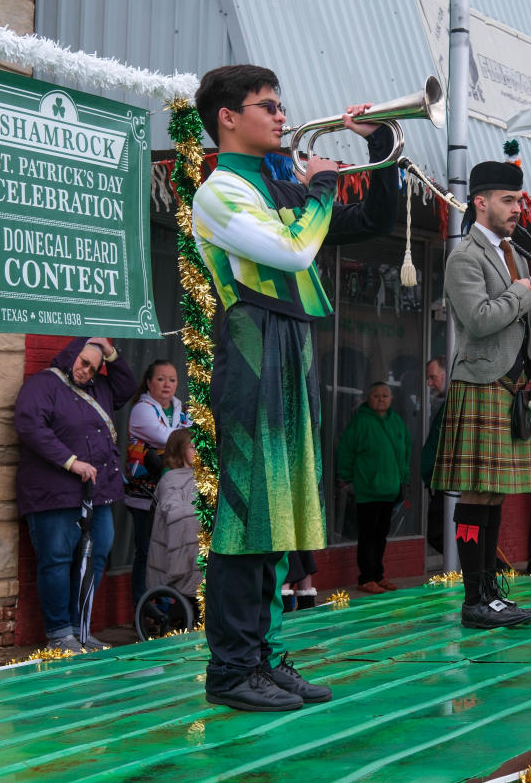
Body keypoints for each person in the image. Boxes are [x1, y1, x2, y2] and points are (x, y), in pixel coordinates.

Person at [192, 63, 398, 711]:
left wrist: (379, 148)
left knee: (279, 516)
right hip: (252, 345)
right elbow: (294, 250)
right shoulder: (220, 191)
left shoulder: (279, 182)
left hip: (291, 342)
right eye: (267, 106)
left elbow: (371, 222)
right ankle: (229, 669)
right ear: (228, 117)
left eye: (281, 106)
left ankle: (264, 656)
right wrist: (324, 184)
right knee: (248, 514)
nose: (283, 116)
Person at [432, 161, 531, 630]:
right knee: (477, 495)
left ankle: (489, 594)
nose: (516, 209)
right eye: (508, 200)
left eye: (519, 200)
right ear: (480, 202)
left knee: (494, 495)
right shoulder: (465, 256)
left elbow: (526, 316)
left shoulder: (512, 254)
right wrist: (527, 292)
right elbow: (482, 318)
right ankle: (474, 598)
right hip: (479, 382)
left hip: (509, 384)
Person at [14, 337, 135, 653]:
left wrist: (111, 354)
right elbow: (30, 426)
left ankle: (80, 630)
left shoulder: (100, 388)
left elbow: (126, 388)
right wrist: (70, 462)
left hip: (97, 494)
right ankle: (60, 632)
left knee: (96, 557)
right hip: (53, 493)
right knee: (56, 559)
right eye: (83, 361)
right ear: (71, 355)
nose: (86, 370)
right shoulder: (42, 385)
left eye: (94, 367)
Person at [126, 360, 190, 608]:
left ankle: (168, 605)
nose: (167, 384)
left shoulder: (180, 409)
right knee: (147, 552)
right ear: (149, 382)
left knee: (168, 550)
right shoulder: (142, 410)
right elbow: (173, 441)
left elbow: (190, 442)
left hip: (174, 493)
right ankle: (146, 608)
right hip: (146, 495)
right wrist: (185, 438)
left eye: (172, 379)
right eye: (161, 379)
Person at [337, 382, 411, 594]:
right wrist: (348, 477)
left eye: (385, 396)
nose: (381, 399)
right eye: (376, 395)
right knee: (368, 535)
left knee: (381, 535)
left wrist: (403, 479)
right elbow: (345, 452)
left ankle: (378, 576)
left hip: (390, 490)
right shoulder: (360, 422)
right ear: (368, 399)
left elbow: (406, 453)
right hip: (368, 491)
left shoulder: (397, 422)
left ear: (392, 399)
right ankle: (366, 577)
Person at [146, 429, 202, 608]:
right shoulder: (170, 479)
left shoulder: (205, 476)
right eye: (193, 448)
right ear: (179, 450)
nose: (198, 452)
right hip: (177, 539)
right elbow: (173, 510)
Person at [420, 355, 448, 554]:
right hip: (439, 480)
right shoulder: (443, 403)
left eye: (433, 377)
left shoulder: (455, 404)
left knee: (439, 534)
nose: (430, 383)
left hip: (449, 482)